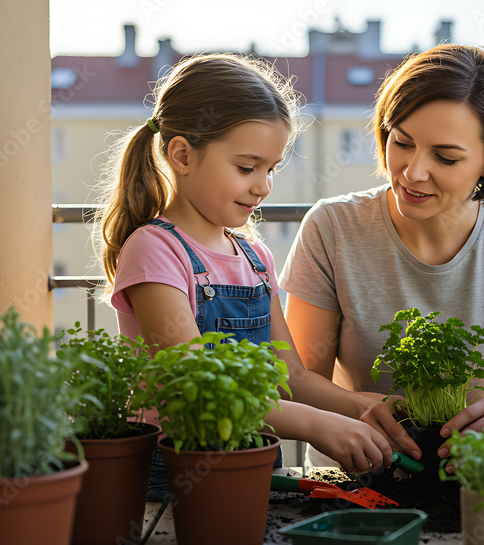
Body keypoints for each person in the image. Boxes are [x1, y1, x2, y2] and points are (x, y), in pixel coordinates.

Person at [96, 54, 395, 495]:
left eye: (270, 169)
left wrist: (364, 407)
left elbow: (291, 377)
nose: (263, 186)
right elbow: (197, 387)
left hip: (253, 461)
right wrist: (316, 425)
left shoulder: (254, 256)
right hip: (176, 471)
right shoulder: (154, 249)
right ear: (182, 155)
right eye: (246, 167)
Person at [279, 44, 484, 467]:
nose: (414, 172)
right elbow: (302, 381)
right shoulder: (332, 227)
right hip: (352, 483)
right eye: (401, 142)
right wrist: (361, 407)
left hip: (475, 479)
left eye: (446, 157)